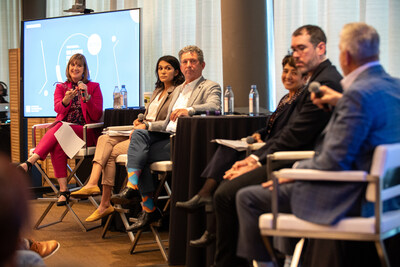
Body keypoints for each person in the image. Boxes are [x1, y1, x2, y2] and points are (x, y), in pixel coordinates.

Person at [236, 22, 400, 267]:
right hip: (387, 197)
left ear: (344, 55)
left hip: (349, 195)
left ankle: (277, 261)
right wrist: (342, 101)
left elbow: (332, 160)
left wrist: (295, 171)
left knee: (247, 197)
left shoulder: (357, 95)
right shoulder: (393, 86)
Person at [212, 25, 343, 267]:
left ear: (321, 48)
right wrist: (254, 158)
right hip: (290, 157)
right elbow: (289, 132)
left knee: (225, 194)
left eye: (301, 48)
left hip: (298, 164)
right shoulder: (318, 80)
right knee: (225, 185)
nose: (296, 55)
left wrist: (254, 160)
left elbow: (296, 136)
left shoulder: (326, 83)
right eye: (293, 49)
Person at [175, 54, 309, 247]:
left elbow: (288, 134)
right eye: (285, 71)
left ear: (305, 77)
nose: (287, 76)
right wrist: (258, 133)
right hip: (265, 144)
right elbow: (272, 127)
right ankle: (206, 201)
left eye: (294, 73)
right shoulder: (285, 98)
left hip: (275, 154)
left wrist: (264, 142)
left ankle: (207, 209)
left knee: (227, 177)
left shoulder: (301, 101)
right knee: (226, 148)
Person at [111, 45, 222, 230]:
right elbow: (164, 123)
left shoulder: (210, 86)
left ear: (202, 65)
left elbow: (216, 108)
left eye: (193, 61)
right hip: (165, 136)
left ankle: (143, 201)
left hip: (184, 141)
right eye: (185, 62)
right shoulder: (178, 89)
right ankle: (143, 200)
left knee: (140, 156)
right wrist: (147, 125)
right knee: (139, 136)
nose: (188, 65)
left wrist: (190, 110)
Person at [71, 55, 185, 222]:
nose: (163, 71)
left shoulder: (177, 92)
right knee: (104, 139)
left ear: (176, 72)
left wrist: (145, 126)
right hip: (142, 130)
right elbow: (148, 115)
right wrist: (140, 121)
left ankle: (104, 203)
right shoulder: (156, 91)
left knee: (111, 153)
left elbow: (168, 122)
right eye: (160, 68)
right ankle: (93, 184)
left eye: (167, 68)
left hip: (152, 136)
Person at [18, 53, 103, 206]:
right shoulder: (61, 87)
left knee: (58, 127)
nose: (75, 68)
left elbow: (97, 116)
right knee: (57, 142)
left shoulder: (93, 87)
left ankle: (30, 162)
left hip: (84, 133)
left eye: (79, 65)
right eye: (72, 65)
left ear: (84, 69)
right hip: (64, 133)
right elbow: (58, 108)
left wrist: (87, 97)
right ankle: (64, 191)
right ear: (68, 68)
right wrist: (66, 100)